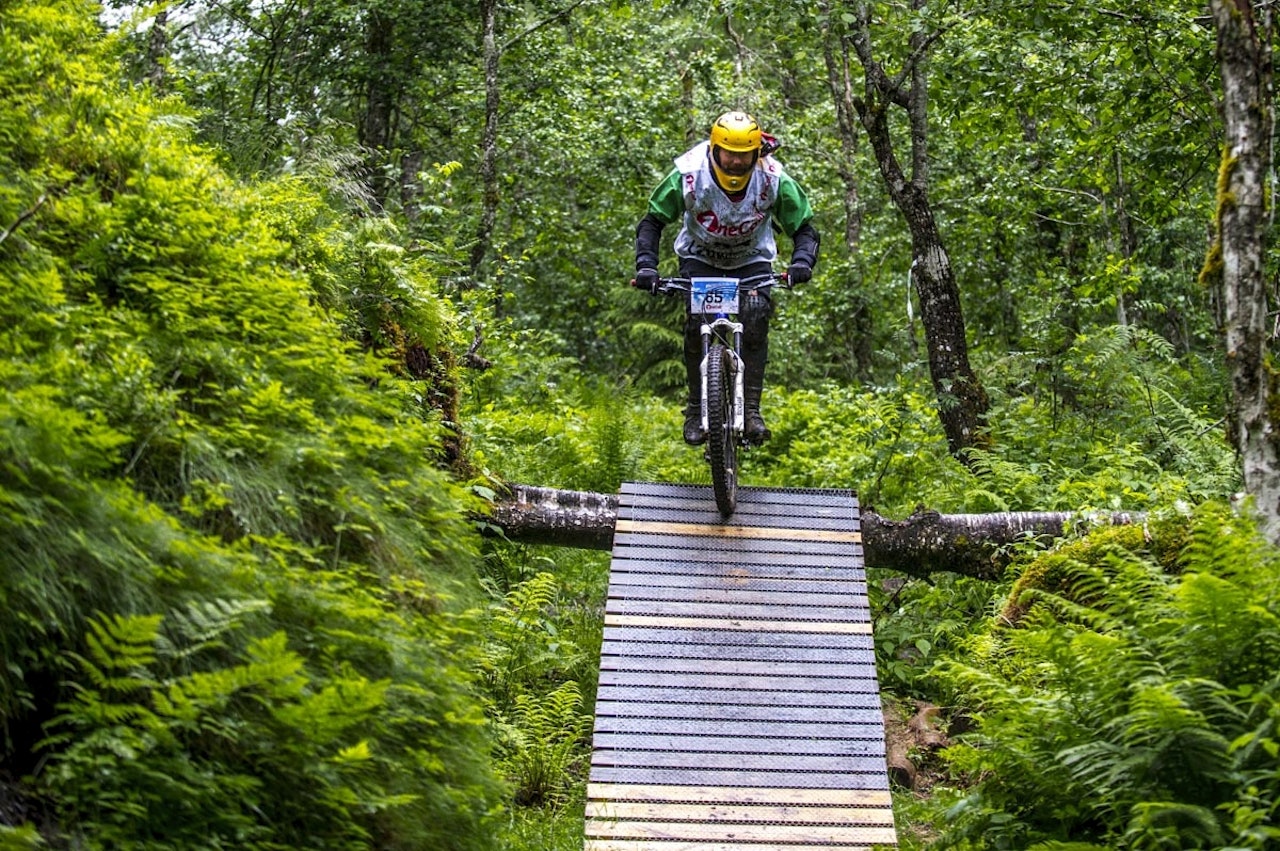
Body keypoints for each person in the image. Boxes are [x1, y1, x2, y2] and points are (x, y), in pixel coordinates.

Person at [634, 110, 820, 446]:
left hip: (751, 260)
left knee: (756, 317)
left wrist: (801, 263)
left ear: (755, 154)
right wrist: (646, 266)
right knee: (696, 326)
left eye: (743, 156)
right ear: (714, 150)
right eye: (728, 155)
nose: (735, 163)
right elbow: (652, 222)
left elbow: (805, 228)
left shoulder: (774, 179)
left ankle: (750, 410)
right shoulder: (690, 174)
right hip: (699, 257)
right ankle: (695, 408)